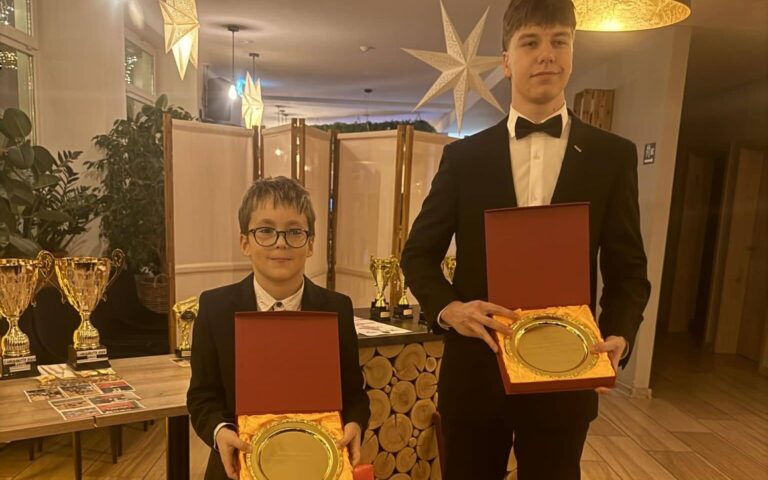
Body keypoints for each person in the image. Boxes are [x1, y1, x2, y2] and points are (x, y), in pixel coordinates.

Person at [400, 0, 651, 478]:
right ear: (506, 61)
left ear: (572, 52)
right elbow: (417, 256)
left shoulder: (613, 157)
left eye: (559, 41)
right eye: (530, 42)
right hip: (477, 370)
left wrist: (620, 333)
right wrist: (449, 309)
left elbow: (628, 271)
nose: (546, 54)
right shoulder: (464, 159)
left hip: (568, 372)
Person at [187, 176, 370, 479]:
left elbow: (353, 392)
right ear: (245, 242)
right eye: (266, 231)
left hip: (318, 465)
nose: (281, 242)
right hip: (239, 466)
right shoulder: (215, 308)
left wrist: (354, 423)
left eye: (294, 232)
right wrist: (220, 432)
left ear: (310, 244)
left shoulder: (337, 308)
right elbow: (202, 395)